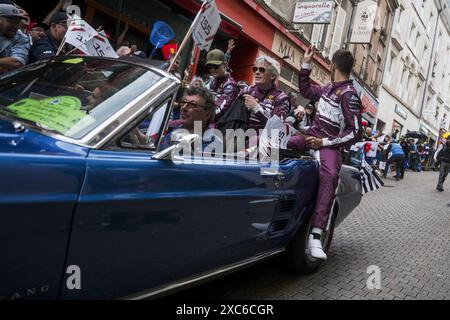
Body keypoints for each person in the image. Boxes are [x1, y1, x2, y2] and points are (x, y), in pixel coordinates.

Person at [288, 46, 363, 260]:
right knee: (283, 143)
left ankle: (315, 236)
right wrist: (305, 64)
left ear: (332, 66)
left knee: (329, 178)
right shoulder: (327, 88)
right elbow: (305, 91)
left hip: (329, 147)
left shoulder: (350, 95)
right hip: (310, 137)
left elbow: (356, 132)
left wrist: (325, 142)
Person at [159, 86, 216, 151]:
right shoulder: (175, 132)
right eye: (183, 102)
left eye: (192, 105)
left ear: (207, 115)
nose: (184, 108)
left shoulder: (212, 142)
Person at [242, 55, 291, 131]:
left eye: (262, 70)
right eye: (255, 69)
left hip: (259, 140)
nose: (257, 72)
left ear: (273, 76)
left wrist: (256, 107)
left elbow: (277, 127)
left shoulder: (281, 98)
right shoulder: (247, 90)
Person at [204, 48, 238, 122]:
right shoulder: (212, 82)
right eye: (209, 66)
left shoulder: (230, 85)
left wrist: (200, 114)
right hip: (202, 121)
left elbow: (219, 111)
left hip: (216, 127)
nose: (212, 69)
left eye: (216, 66)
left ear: (225, 64)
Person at [0, 3, 30, 74]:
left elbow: (18, 63)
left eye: (17, 22)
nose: (15, 26)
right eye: (10, 21)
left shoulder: (21, 37)